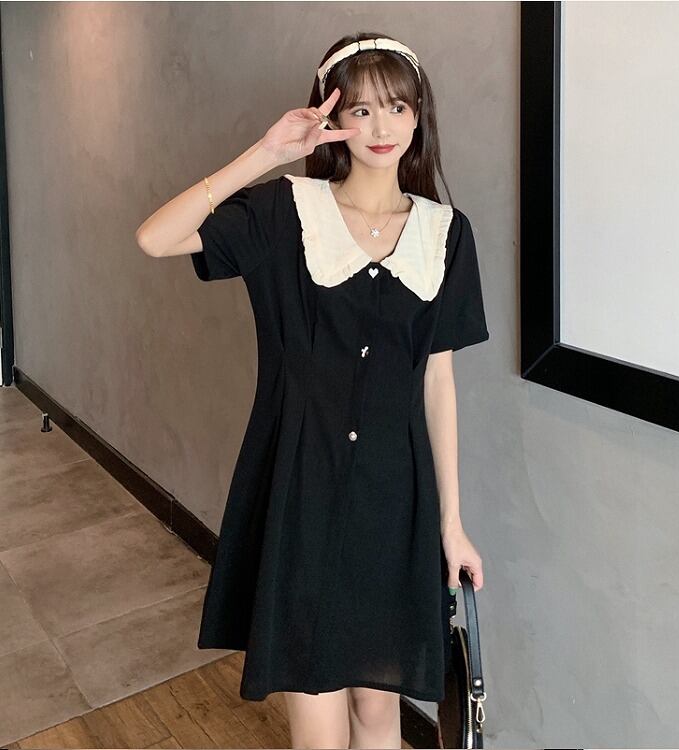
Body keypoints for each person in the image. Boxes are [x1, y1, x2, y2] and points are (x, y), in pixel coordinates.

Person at [136, 31, 489, 750]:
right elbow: (156, 238)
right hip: (300, 492)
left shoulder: (446, 234)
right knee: (318, 723)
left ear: (419, 116)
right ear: (332, 118)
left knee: (379, 714)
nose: (381, 126)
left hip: (395, 501)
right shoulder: (284, 212)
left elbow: (438, 381)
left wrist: (451, 523)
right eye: (360, 110)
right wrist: (265, 154)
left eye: (397, 107)